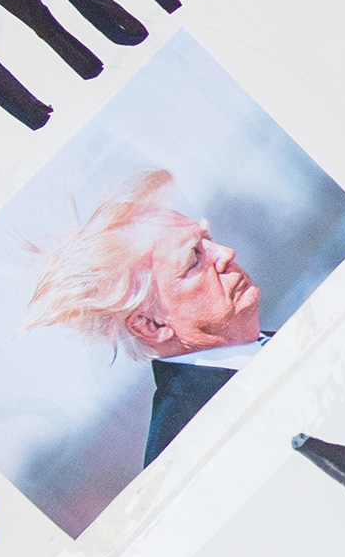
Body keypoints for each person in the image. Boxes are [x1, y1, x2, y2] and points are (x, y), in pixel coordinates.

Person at [23, 169, 268, 464]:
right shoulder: (183, 449)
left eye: (208, 239)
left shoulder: (280, 343)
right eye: (193, 259)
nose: (226, 253)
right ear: (152, 325)